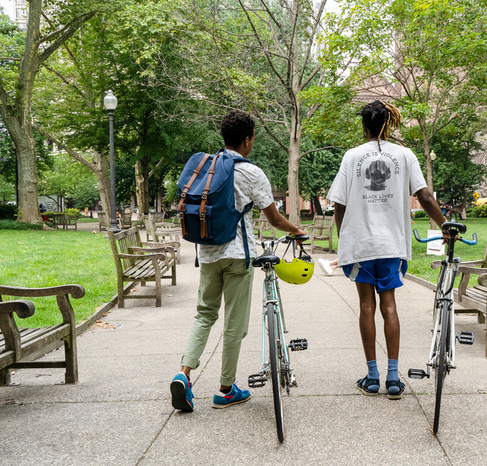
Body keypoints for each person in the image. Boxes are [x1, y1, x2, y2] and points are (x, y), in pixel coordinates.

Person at [171, 110, 306, 412]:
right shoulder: (251, 172)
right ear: (246, 139)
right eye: (253, 139)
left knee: (204, 314)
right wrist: (296, 230)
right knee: (234, 324)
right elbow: (273, 218)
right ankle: (225, 389)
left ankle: (184, 374)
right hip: (238, 255)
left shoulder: (207, 167)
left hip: (207, 253)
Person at [327, 100, 447, 400]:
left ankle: (372, 377)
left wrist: (345, 239)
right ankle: (394, 379)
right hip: (392, 244)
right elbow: (426, 196)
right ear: (389, 125)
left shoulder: (351, 156)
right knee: (389, 305)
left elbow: (338, 205)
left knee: (366, 307)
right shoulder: (405, 155)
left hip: (362, 244)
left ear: (364, 126)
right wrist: (444, 225)